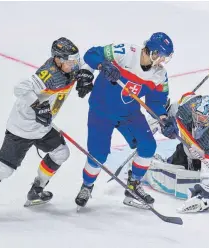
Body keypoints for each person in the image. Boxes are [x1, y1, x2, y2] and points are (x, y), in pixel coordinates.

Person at [0, 37, 95, 227]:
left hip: (42, 126)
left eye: (75, 60)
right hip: (22, 127)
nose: (75, 64)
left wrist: (86, 74)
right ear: (58, 59)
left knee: (61, 153)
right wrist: (38, 106)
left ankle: (36, 191)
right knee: (4, 169)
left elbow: (89, 61)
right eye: (71, 61)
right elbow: (20, 87)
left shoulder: (69, 68)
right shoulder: (48, 75)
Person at [74, 32, 174, 209]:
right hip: (101, 111)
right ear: (151, 51)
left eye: (166, 58)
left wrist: (163, 118)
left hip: (129, 114)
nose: (162, 62)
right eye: (161, 56)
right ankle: (87, 186)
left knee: (148, 145)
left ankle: (133, 186)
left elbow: (156, 101)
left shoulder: (159, 75)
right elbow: (91, 54)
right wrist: (103, 64)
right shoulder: (125, 51)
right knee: (98, 155)